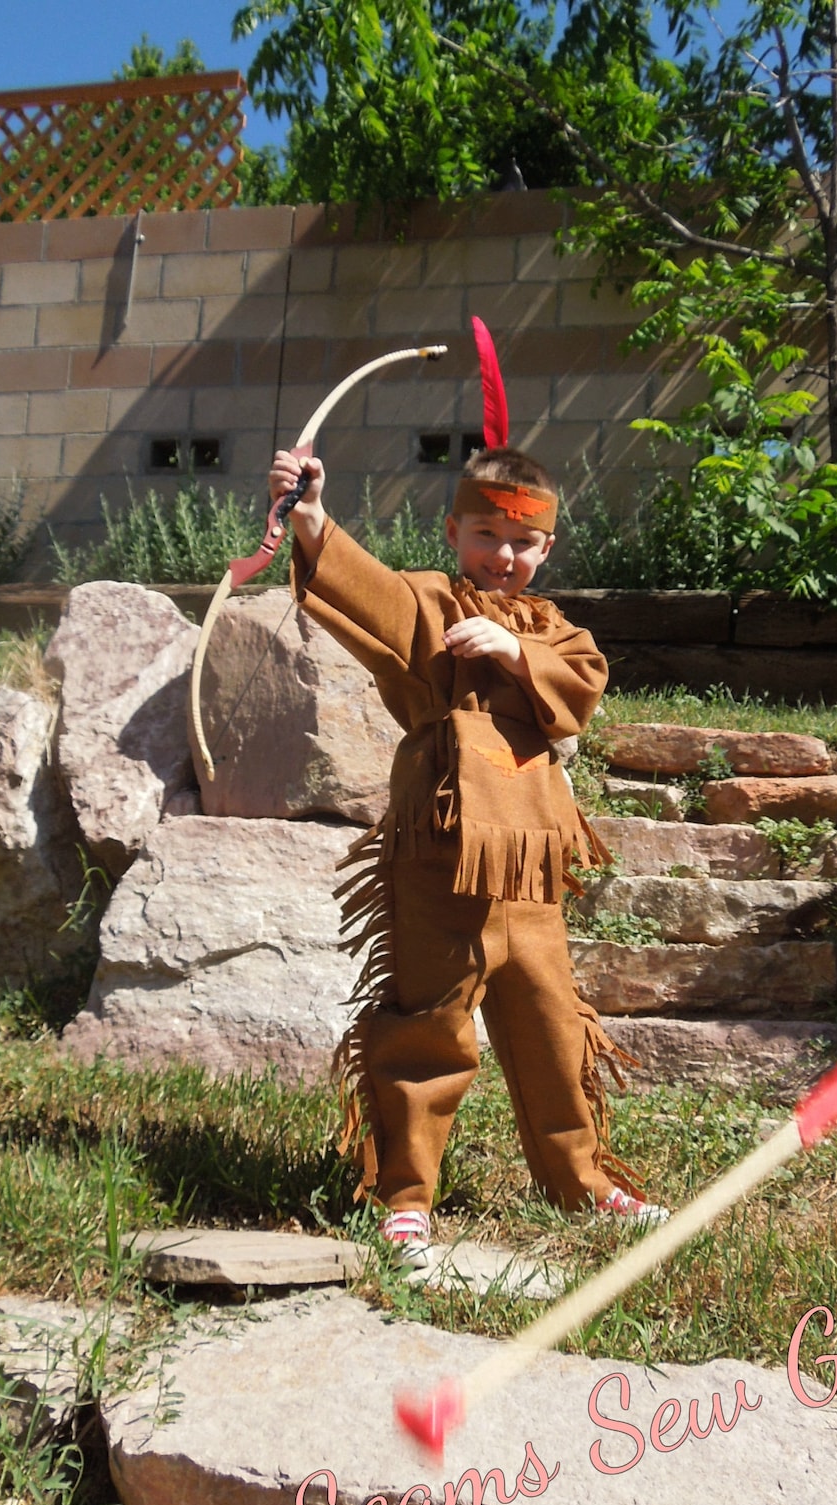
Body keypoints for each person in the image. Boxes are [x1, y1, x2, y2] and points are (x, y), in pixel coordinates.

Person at [268, 440, 669, 1263]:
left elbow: (579, 685)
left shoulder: (558, 630)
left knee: (554, 1029)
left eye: (523, 542)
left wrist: (514, 650)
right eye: (486, 535)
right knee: (428, 1027)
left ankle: (581, 1182)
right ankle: (406, 1197)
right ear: (453, 531)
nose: (504, 555)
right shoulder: (430, 604)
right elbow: (370, 594)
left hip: (529, 872)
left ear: (547, 548)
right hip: (440, 864)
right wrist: (310, 519)